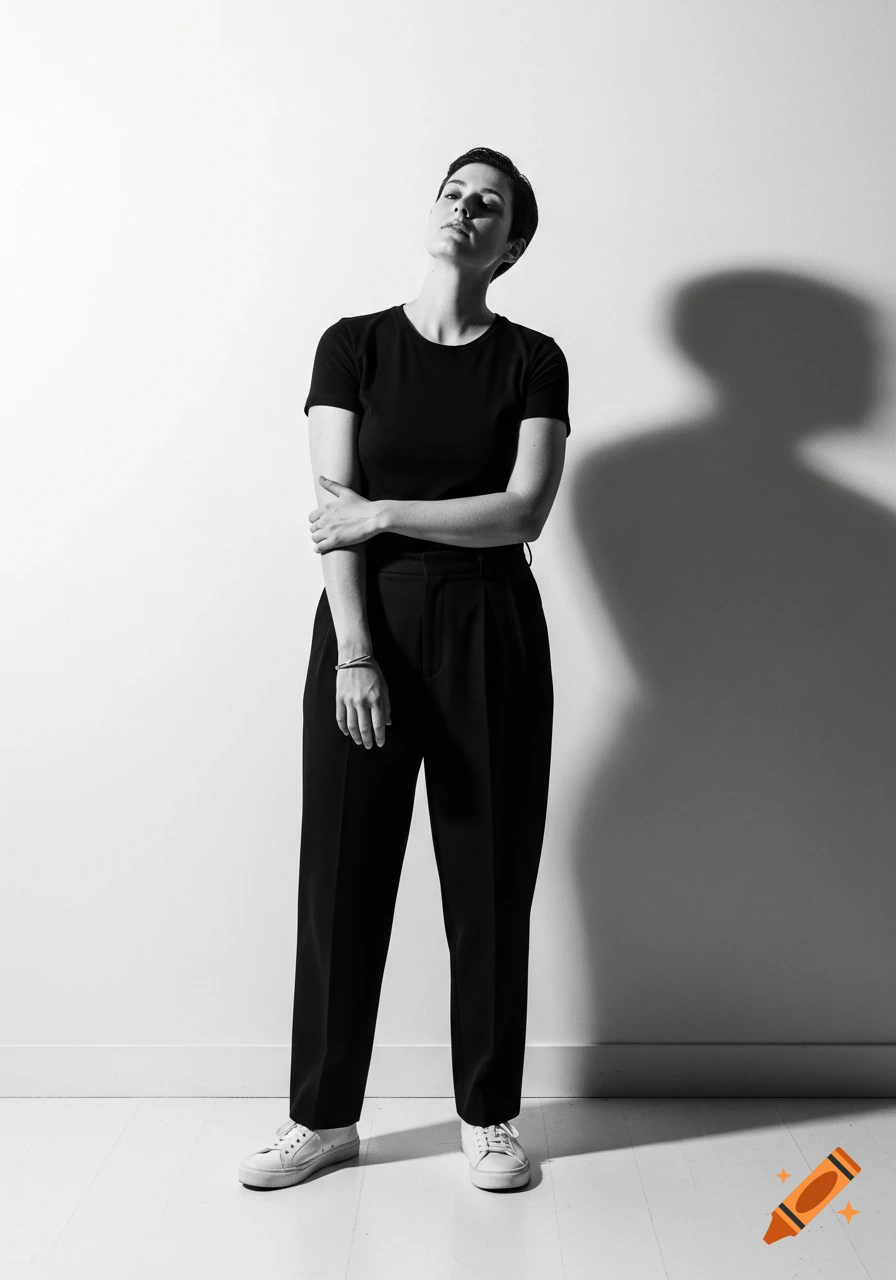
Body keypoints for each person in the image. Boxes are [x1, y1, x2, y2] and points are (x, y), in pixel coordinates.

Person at [239, 146, 571, 1193]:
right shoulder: (352, 347)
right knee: (340, 876)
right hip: (364, 620)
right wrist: (354, 649)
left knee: (486, 880)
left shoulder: (532, 359)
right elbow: (328, 511)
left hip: (491, 627)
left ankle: (487, 1115)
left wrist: (385, 511)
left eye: (490, 205)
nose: (464, 210)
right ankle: (321, 1117)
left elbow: (521, 512)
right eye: (453, 193)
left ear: (509, 243)